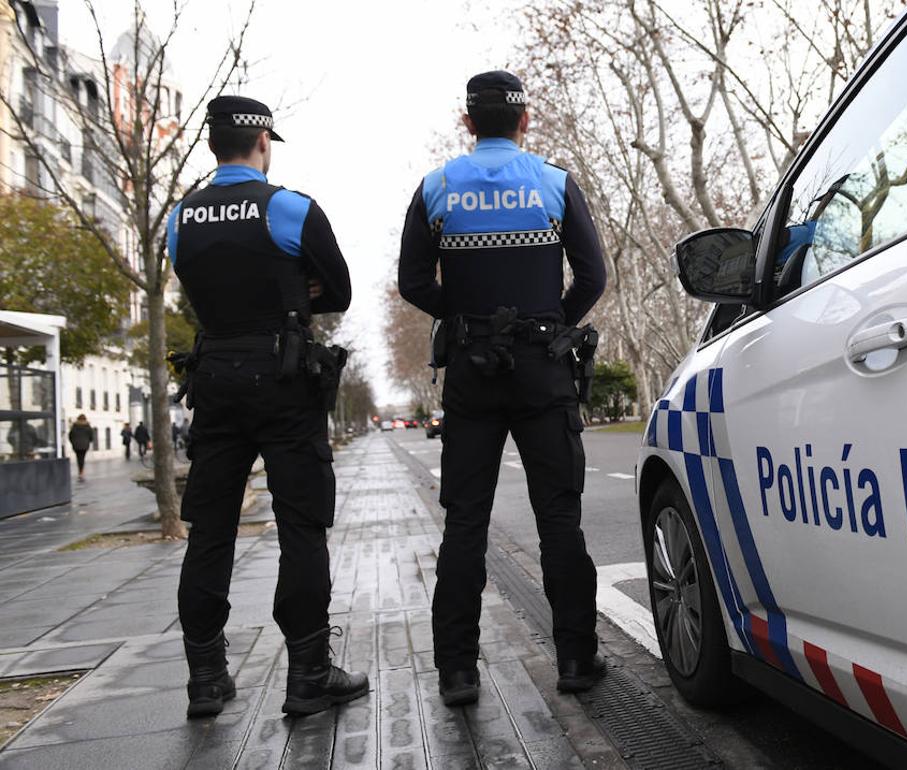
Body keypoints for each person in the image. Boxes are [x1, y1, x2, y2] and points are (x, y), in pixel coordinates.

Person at [398, 71, 608, 706]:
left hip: (471, 370)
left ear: (468, 123)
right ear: (525, 121)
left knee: (465, 521)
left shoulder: (436, 187)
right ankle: (575, 657)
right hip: (543, 368)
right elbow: (594, 276)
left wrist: (461, 318)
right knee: (559, 518)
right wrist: (551, 323)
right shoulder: (552, 182)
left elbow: (412, 281)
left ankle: (458, 671)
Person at [167, 95, 366, 719]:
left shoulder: (180, 218)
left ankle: (206, 679)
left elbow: (195, 280)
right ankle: (308, 674)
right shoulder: (288, 207)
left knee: (211, 532)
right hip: (283, 380)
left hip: (217, 379)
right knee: (301, 526)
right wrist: (295, 283)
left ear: (211, 146)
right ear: (262, 142)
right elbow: (338, 289)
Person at [68, 414, 93, 482]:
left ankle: (80, 471)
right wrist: (88, 441)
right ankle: (81, 472)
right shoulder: (88, 426)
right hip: (84, 445)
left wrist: (73, 442)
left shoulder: (74, 426)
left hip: (76, 445)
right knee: (82, 458)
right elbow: (91, 436)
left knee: (79, 458)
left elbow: (70, 435)